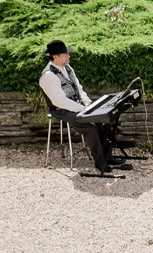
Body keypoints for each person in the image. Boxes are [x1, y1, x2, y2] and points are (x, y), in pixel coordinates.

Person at [37, 40, 120, 174]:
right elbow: (60, 101)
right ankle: (101, 164)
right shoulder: (48, 76)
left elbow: (79, 88)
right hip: (61, 110)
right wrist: (83, 110)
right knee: (90, 127)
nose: (68, 56)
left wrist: (86, 102)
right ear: (55, 56)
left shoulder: (68, 68)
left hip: (79, 106)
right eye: (65, 54)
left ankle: (108, 157)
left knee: (103, 120)